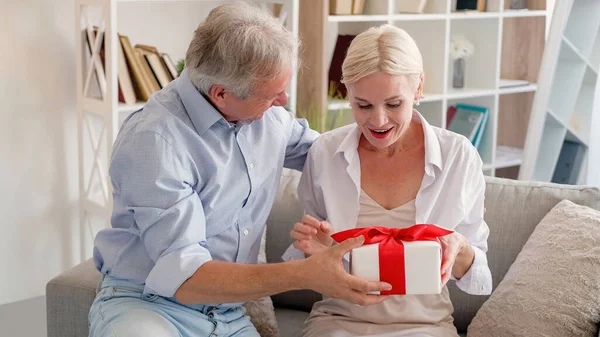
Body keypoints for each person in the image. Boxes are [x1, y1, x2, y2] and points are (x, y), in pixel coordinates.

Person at [88, 3, 392, 337]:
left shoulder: (270, 119)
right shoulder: (155, 141)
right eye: (272, 95)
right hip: (150, 306)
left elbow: (336, 155)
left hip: (228, 313)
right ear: (221, 94)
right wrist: (304, 273)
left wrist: (414, 141)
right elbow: (184, 277)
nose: (282, 100)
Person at [284, 24, 493, 337]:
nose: (378, 121)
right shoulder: (325, 153)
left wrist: (459, 248)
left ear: (418, 88)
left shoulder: (458, 156)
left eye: (394, 104)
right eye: (363, 105)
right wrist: (316, 251)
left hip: (425, 326)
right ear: (348, 93)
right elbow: (314, 261)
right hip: (338, 322)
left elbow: (478, 274)